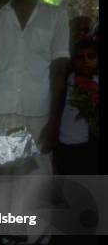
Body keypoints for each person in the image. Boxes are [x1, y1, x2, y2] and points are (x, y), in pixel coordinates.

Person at [0, 0, 69, 245]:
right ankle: (8, 240)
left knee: (37, 180)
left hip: (39, 110)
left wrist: (54, 121)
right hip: (1, 111)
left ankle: (35, 244)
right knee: (5, 179)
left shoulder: (56, 16)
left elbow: (60, 70)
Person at [54, 39, 99, 175]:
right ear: (73, 61)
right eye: (80, 57)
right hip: (69, 149)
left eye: (91, 56)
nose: (85, 61)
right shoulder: (65, 83)